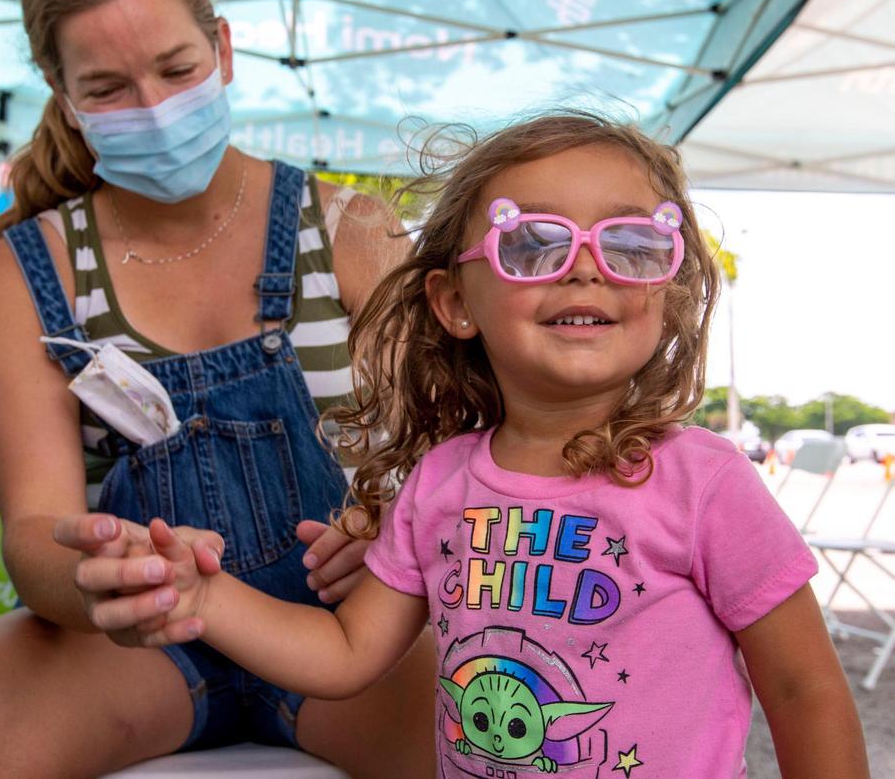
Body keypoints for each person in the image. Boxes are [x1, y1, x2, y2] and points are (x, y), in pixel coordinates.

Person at [0, 0, 434, 779]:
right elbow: (32, 533)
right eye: (109, 88)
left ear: (225, 50)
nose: (156, 111)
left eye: (178, 71)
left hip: (346, 628)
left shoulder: (353, 230)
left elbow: (439, 458)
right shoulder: (22, 275)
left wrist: (388, 533)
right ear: (61, 91)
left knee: (524, 731)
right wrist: (98, 580)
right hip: (142, 647)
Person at [139, 112, 871, 777]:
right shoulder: (439, 483)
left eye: (632, 244)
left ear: (667, 287)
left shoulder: (706, 484)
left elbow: (805, 689)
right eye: (532, 244)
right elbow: (345, 654)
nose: (587, 266)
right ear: (455, 303)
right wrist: (209, 595)